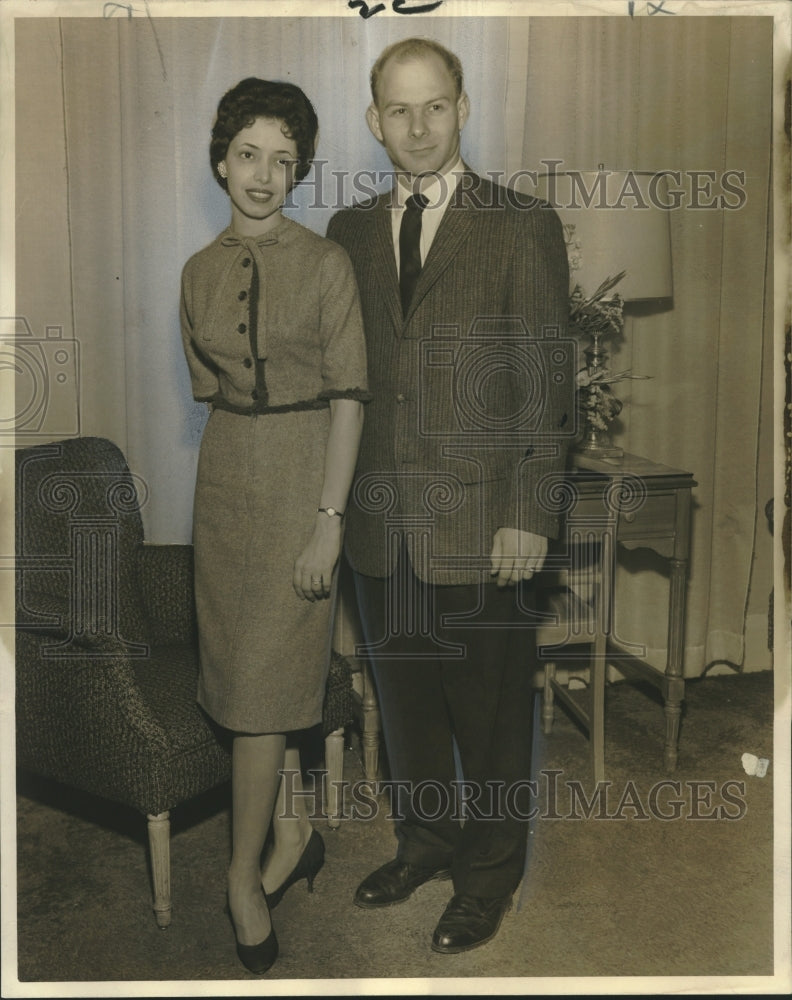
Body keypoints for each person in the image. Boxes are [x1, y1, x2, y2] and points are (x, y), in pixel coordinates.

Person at [327, 38, 572, 954]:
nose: (418, 126)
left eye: (435, 106)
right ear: (374, 121)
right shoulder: (348, 232)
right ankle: (425, 840)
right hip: (379, 525)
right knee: (407, 706)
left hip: (483, 519)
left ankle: (489, 872)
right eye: (399, 109)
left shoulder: (520, 223)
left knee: (493, 711)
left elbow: (548, 383)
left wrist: (529, 510)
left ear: (463, 107)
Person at [180, 77, 369, 975]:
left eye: (283, 161)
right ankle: (294, 829)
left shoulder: (328, 265)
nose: (264, 175)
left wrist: (327, 523)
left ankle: (242, 878)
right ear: (222, 161)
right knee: (252, 689)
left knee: (261, 700)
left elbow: (349, 401)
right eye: (249, 155)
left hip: (304, 488)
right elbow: (211, 392)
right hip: (224, 495)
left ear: (298, 172)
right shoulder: (196, 274)